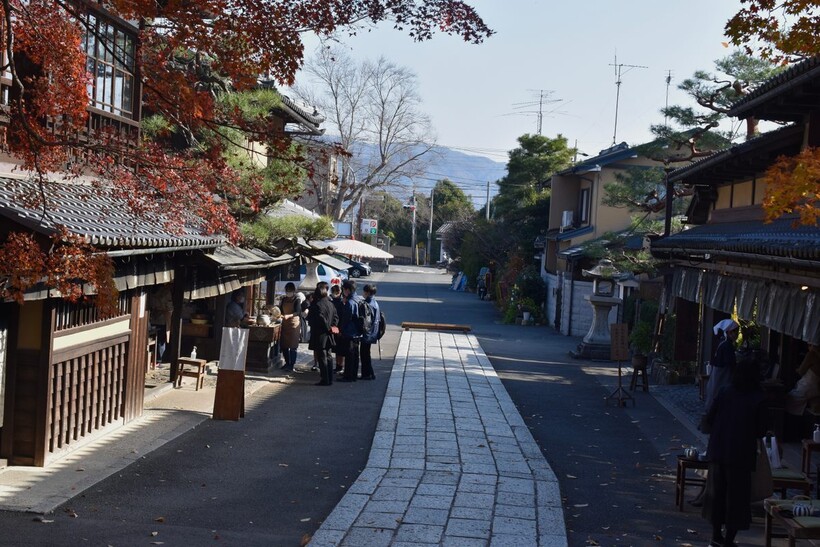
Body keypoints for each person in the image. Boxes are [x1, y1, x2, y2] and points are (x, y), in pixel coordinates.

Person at [701, 354, 767, 547]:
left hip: (719, 448)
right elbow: (761, 430)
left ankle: (716, 535)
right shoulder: (758, 398)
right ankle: (729, 540)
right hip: (741, 453)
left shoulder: (725, 391)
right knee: (737, 499)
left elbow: (710, 417)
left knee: (717, 494)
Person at [704, 319, 739, 412]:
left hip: (718, 373)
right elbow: (730, 363)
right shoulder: (727, 345)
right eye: (734, 331)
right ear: (728, 332)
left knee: (714, 396)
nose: (736, 334)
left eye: (737, 331)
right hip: (723, 375)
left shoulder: (722, 342)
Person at [307, 282, 339, 386]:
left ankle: (325, 379)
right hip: (329, 334)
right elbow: (336, 317)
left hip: (320, 333)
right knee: (329, 356)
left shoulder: (317, 305)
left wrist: (327, 327)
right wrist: (332, 327)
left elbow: (319, 319)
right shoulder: (330, 303)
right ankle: (329, 378)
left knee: (322, 357)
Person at [339, 279, 363, 382]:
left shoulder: (350, 302)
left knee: (349, 355)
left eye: (343, 289)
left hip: (350, 331)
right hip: (358, 331)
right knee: (355, 355)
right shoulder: (358, 299)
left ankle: (348, 376)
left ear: (347, 290)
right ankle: (353, 374)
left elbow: (346, 319)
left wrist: (341, 329)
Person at [279, 282, 305, 371]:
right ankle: (287, 363)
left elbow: (298, 312)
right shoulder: (283, 299)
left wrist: (289, 315)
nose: (288, 292)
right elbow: (280, 310)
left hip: (294, 324)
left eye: (290, 291)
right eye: (287, 291)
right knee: (284, 345)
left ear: (294, 291)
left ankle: (292, 365)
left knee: (293, 346)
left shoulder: (297, 300)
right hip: (285, 324)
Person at [359, 284, 380, 381]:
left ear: (367, 293)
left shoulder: (367, 304)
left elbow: (365, 320)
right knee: (367, 353)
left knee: (364, 354)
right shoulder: (375, 303)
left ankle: (366, 374)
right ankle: (370, 373)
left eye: (364, 292)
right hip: (373, 332)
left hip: (367, 332)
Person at [330, 284, 346, 374]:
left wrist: (340, 329)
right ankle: (338, 365)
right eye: (333, 292)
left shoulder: (341, 302)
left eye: (336, 292)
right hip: (334, 327)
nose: (334, 294)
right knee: (336, 348)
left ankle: (340, 365)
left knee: (340, 349)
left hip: (339, 327)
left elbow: (342, 317)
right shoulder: (332, 301)